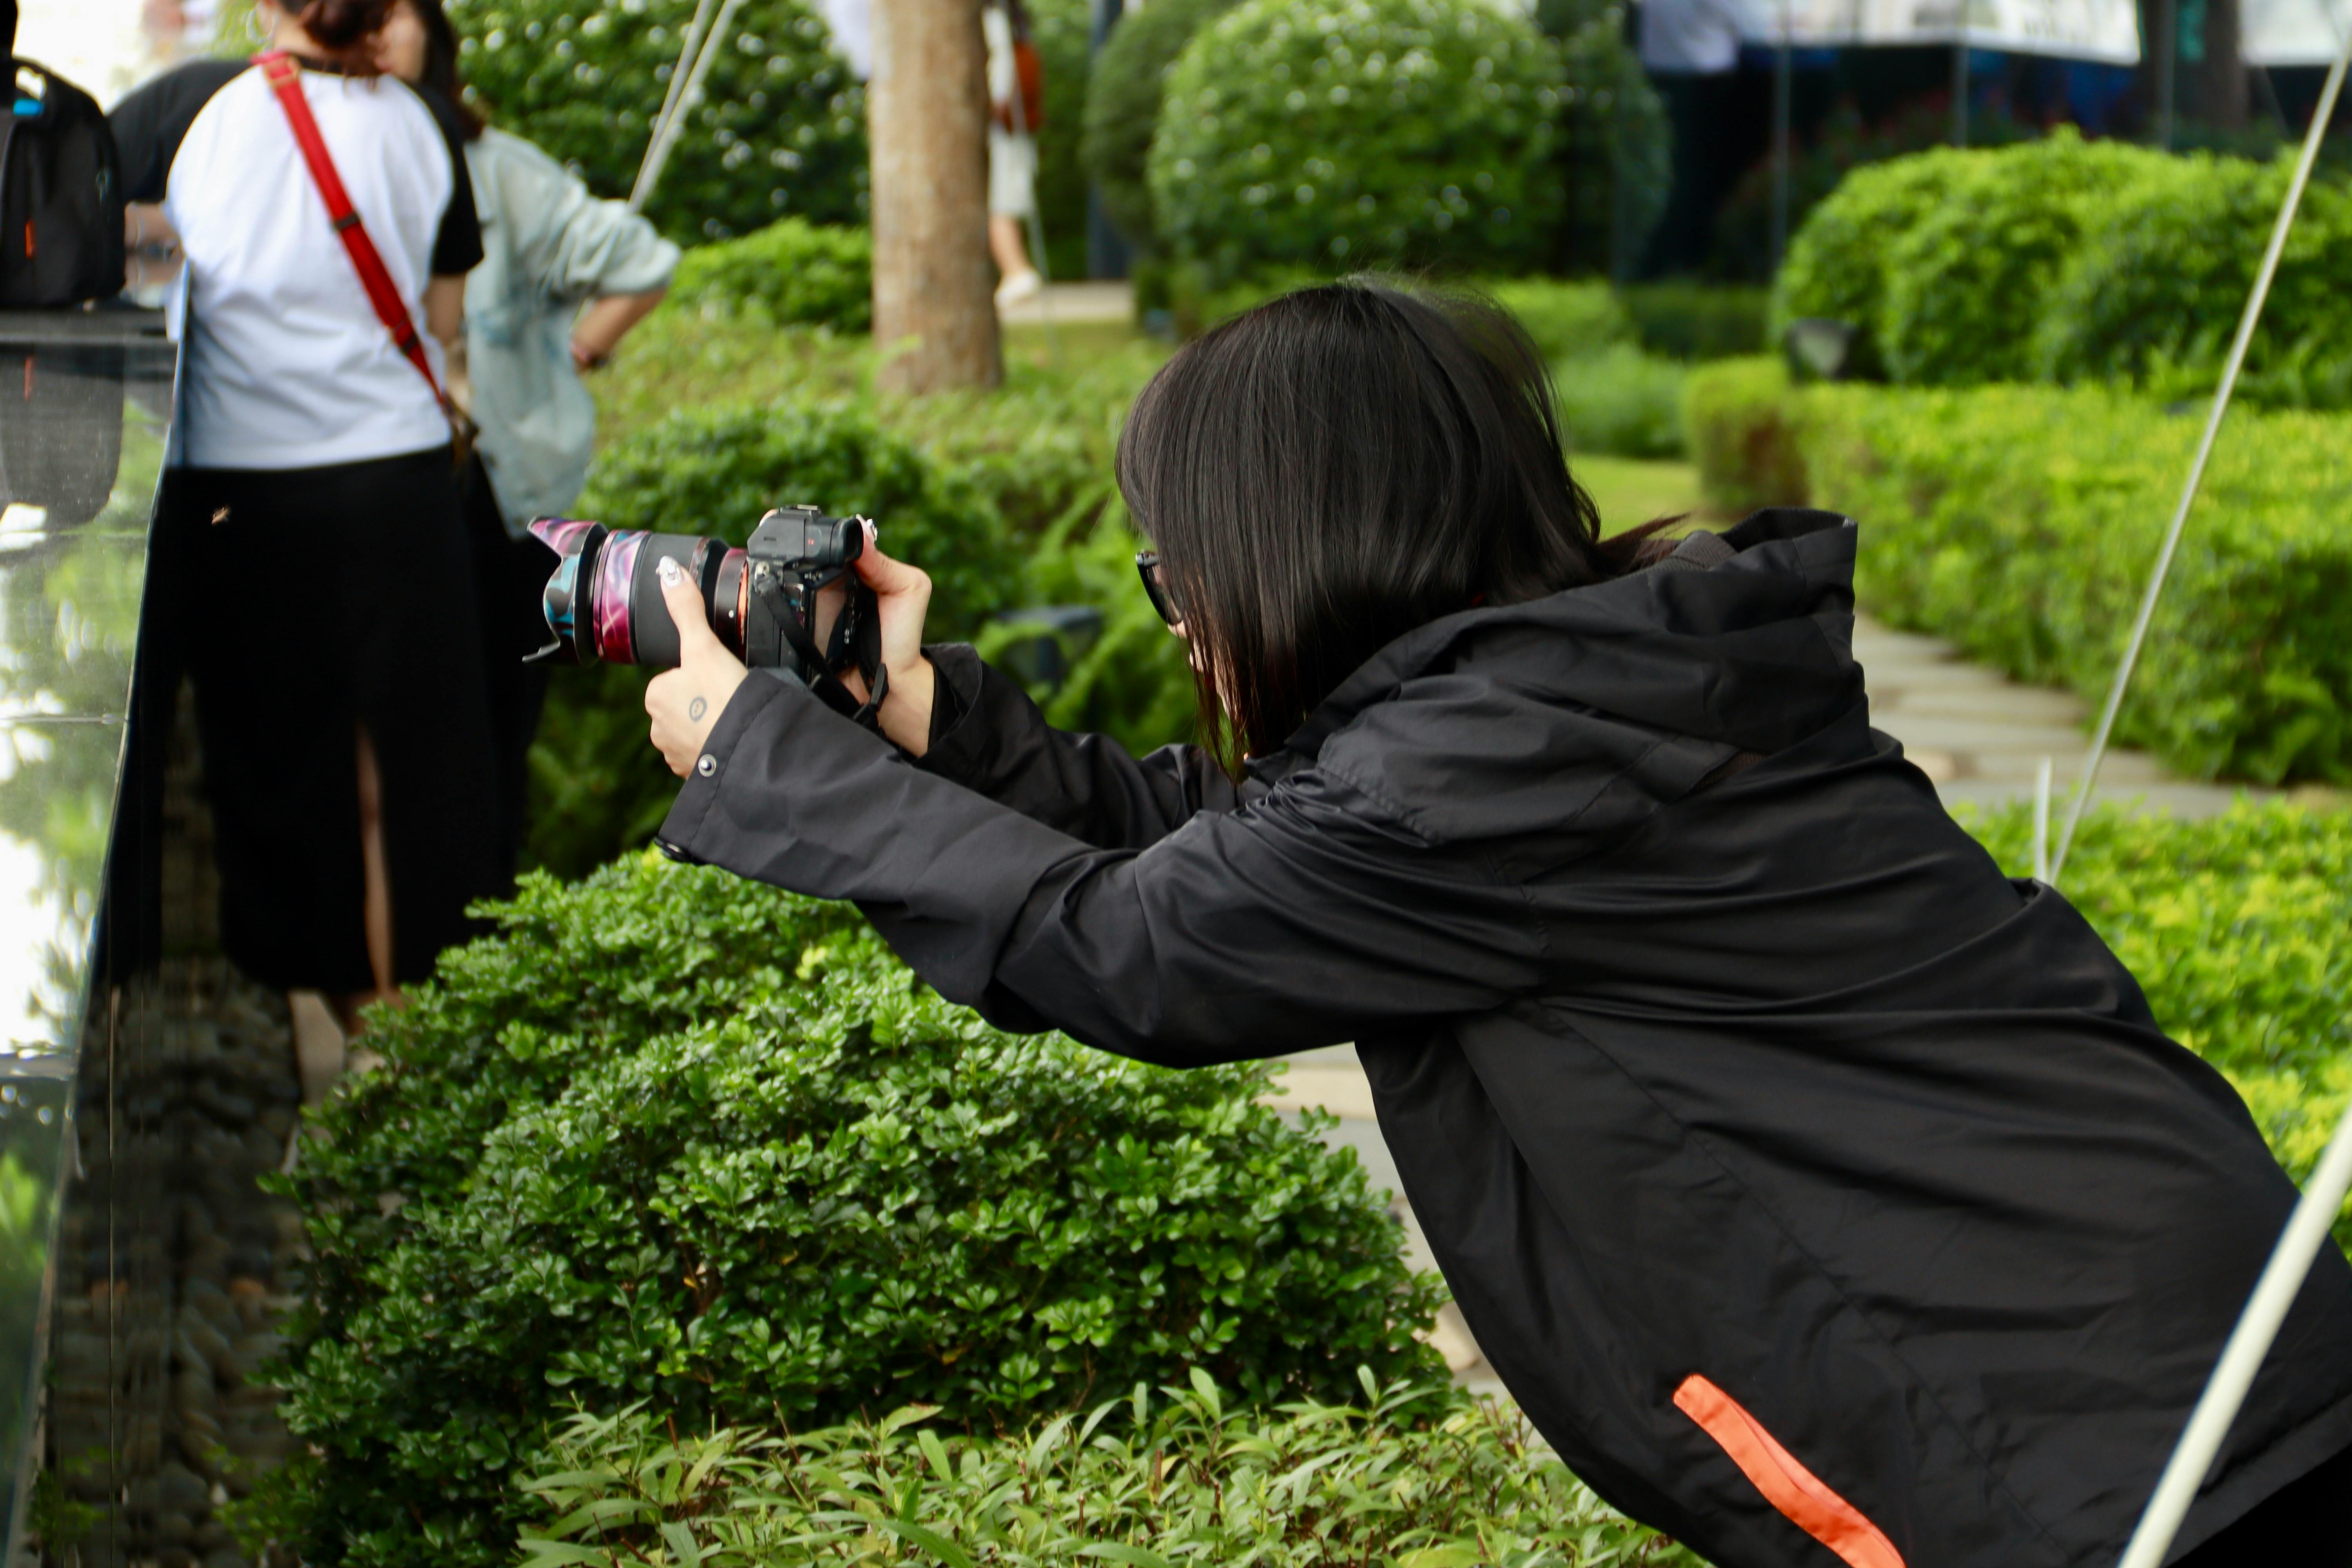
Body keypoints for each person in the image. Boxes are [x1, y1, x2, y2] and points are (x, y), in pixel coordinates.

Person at [633, 281, 2352, 1568]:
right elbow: (1239, 859)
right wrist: (922, 715)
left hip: (2108, 1438)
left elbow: (1134, 948)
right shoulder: (1566, 693)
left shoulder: (1481, 770)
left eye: (1175, 574)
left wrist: (766, 754)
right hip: (2180, 1338)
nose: (1174, 623)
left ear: (1288, 547)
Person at [110, 0, 503, 1034]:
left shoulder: (204, 115)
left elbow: (101, 234)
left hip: (248, 493)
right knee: (416, 768)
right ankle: (415, 1037)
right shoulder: (423, 126)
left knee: (286, 767)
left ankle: (339, 1032)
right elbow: (447, 314)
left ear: (267, 9)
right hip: (402, 481)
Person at [373, 0, 679, 875]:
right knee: (412, 726)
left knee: (499, 724)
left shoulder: (502, 173)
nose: (382, 26)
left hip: (497, 488)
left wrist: (581, 349)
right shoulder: (340, 162)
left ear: (434, 31)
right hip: (388, 476)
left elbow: (643, 261)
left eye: (400, 10)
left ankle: (488, 928)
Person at [985, 0, 1044, 309]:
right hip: (1014, 132)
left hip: (1001, 130)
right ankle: (1014, 272)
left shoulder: (992, 18)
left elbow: (1001, 71)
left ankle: (1016, 270)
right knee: (1000, 203)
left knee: (997, 205)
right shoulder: (1012, 20)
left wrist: (990, 106)